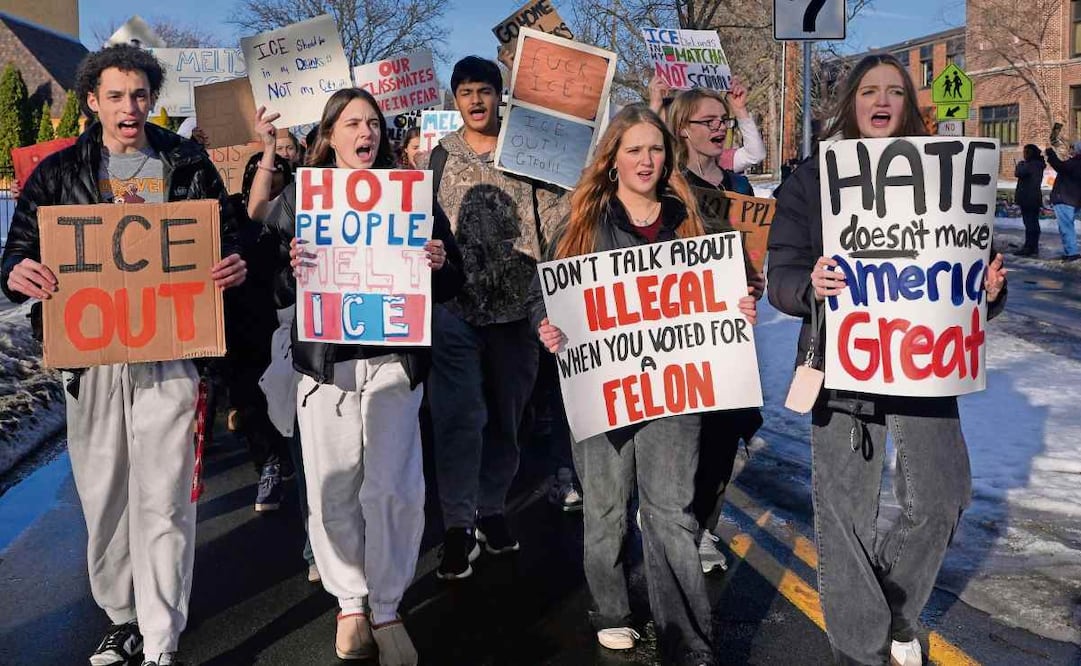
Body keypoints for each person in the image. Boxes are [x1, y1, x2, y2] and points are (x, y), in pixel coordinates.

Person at [0, 44, 245, 666]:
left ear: (151, 99)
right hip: (93, 359)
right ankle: (122, 615)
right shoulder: (57, 173)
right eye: (115, 96)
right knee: (105, 496)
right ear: (92, 102)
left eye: (138, 94)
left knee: (163, 497)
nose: (129, 107)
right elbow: (18, 253)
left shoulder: (186, 163)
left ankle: (161, 635)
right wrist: (17, 275)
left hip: (172, 353)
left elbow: (230, 235)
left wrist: (235, 262)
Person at [767, 53, 1008, 666]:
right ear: (849, 101)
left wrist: (990, 291)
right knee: (844, 510)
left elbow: (962, 274)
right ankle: (859, 647)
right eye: (868, 90)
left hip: (925, 362)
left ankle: (893, 607)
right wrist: (808, 283)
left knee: (944, 496)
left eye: (894, 92)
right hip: (841, 361)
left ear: (908, 104)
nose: (880, 101)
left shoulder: (943, 176)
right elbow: (781, 275)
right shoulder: (811, 178)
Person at [529, 104, 757, 665]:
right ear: (613, 159)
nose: (646, 160)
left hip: (676, 390)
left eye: (655, 149)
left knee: (671, 511)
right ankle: (611, 611)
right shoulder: (582, 219)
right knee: (606, 510)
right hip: (601, 388)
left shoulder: (691, 218)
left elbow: (725, 287)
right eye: (633, 149)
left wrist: (740, 305)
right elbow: (547, 292)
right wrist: (547, 324)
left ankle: (685, 635)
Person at [263, 87, 463, 665]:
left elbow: (451, 286)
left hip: (394, 362)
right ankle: (350, 602)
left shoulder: (412, 195)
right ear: (329, 135)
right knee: (334, 488)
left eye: (372, 122)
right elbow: (267, 284)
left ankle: (388, 606)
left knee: (395, 488)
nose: (364, 133)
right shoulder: (303, 197)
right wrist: (290, 268)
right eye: (351, 123)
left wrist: (439, 264)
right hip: (326, 366)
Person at [415, 56, 569, 580]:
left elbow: (557, 223)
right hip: (453, 312)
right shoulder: (436, 158)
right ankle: (458, 526)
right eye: (466, 93)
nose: (476, 101)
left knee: (507, 418)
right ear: (454, 100)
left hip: (518, 312)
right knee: (458, 420)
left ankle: (492, 509)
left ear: (499, 96)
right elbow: (416, 227)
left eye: (484, 90)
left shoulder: (528, 152)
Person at [667, 87, 767, 575]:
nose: (718, 127)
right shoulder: (668, 187)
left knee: (725, 433)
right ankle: (674, 518)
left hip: (730, 333)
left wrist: (756, 281)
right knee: (686, 434)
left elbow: (752, 255)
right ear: (683, 127)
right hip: (679, 332)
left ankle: (706, 526)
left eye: (722, 120)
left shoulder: (739, 188)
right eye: (707, 121)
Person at [1044, 141, 1081, 261]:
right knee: (1067, 226)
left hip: (1065, 198)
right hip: (1075, 199)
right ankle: (1071, 251)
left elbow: (1059, 166)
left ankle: (1072, 252)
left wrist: (1050, 151)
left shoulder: (1075, 163)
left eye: (1073, 148)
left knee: (1066, 227)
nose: (1071, 150)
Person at [1014, 144, 1046, 257]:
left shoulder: (1031, 165)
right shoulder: (1038, 164)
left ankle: (1029, 247)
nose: (1024, 154)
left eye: (1026, 152)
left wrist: (1019, 164)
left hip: (1028, 198)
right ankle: (1033, 246)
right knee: (1033, 223)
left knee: (1030, 224)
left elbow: (1018, 173)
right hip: (1034, 197)